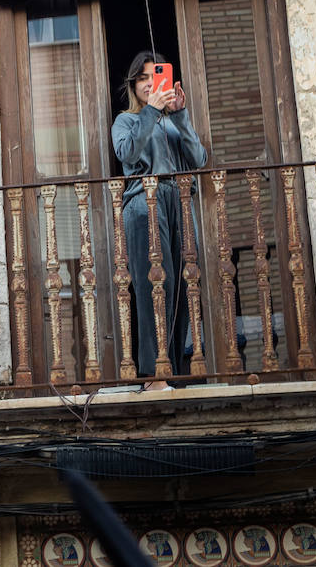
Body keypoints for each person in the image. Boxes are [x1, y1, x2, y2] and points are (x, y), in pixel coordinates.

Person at [111, 51, 207, 391]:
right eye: (143, 78)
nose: (150, 82)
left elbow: (198, 158)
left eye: (156, 75)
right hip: (144, 203)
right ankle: (153, 376)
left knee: (184, 283)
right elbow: (128, 153)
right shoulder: (126, 121)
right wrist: (152, 110)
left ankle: (174, 370)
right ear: (134, 86)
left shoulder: (171, 121)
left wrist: (180, 116)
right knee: (155, 285)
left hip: (178, 202)